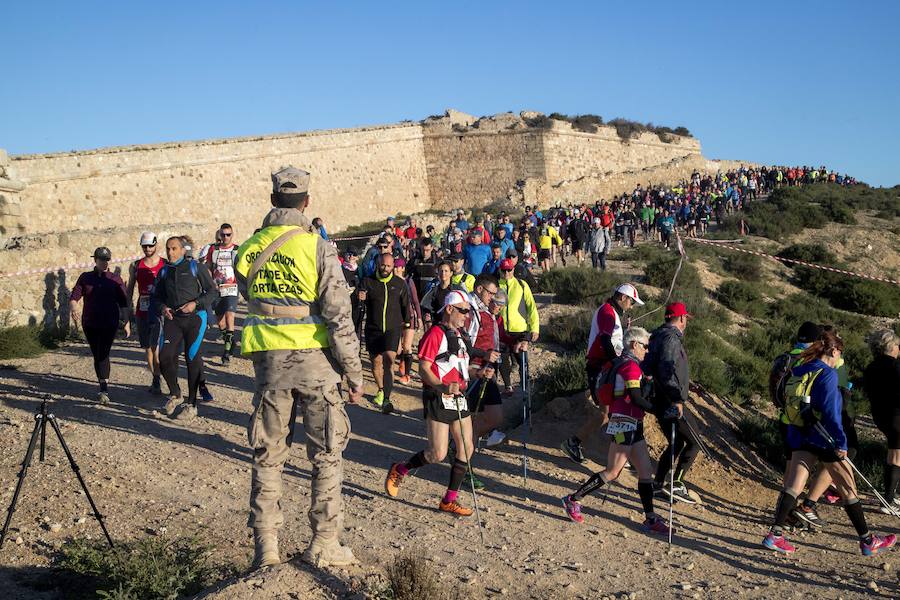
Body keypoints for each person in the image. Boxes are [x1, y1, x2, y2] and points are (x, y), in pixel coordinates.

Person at [236, 166, 363, 568]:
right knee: (326, 453)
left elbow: (251, 298)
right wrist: (354, 373)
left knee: (268, 456)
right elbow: (339, 316)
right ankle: (324, 543)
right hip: (315, 365)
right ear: (306, 202)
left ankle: (266, 548)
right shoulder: (317, 247)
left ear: (273, 200)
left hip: (270, 366)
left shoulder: (249, 250)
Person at [763, 331, 896, 556]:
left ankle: (774, 535)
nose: (839, 359)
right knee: (848, 488)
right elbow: (832, 414)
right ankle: (867, 541)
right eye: (839, 354)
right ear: (833, 351)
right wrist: (842, 442)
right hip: (825, 438)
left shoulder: (801, 368)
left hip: (800, 434)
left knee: (794, 486)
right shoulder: (828, 374)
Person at [562, 327, 673, 534]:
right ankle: (573, 499)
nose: (647, 351)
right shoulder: (630, 367)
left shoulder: (626, 364)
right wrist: (662, 411)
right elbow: (637, 398)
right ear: (634, 344)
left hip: (633, 422)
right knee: (613, 471)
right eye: (645, 346)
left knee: (646, 472)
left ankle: (650, 518)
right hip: (624, 422)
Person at [384, 290, 477, 517]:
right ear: (449, 309)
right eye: (463, 310)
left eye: (468, 311)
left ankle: (449, 500)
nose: (467, 315)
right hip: (438, 396)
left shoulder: (461, 335)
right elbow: (423, 368)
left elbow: (463, 368)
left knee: (467, 447)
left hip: (458, 397)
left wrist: (481, 372)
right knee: (438, 453)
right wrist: (442, 386)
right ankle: (401, 469)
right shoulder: (435, 334)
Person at [561, 283, 644, 464]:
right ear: (623, 297)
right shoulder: (607, 312)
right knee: (607, 412)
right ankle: (576, 443)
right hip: (601, 368)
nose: (632, 306)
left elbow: (611, 339)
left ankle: (619, 451)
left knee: (611, 412)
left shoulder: (610, 312)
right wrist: (616, 361)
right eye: (632, 302)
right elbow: (606, 339)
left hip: (604, 367)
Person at [153, 236, 218, 420]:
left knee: (192, 358)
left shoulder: (195, 267)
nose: (170, 252)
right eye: (168, 248)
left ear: (183, 250)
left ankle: (192, 405)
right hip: (174, 319)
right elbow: (157, 297)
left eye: (174, 248)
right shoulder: (164, 271)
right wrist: (163, 308)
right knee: (164, 356)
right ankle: (176, 394)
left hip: (195, 318)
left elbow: (212, 292)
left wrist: (196, 304)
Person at [645, 302, 700, 503]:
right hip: (669, 400)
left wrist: (687, 384)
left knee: (676, 443)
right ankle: (676, 483)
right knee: (695, 442)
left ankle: (658, 486)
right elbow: (667, 370)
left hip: (661, 397)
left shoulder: (658, 335)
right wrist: (677, 398)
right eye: (686, 318)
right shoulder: (671, 338)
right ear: (682, 318)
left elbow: (656, 367)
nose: (687, 322)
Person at [69, 247, 129, 405]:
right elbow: (75, 295)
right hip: (90, 322)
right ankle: (102, 382)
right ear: (95, 260)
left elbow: (123, 303)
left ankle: (104, 388)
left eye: (107, 259)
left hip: (110, 322)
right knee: (97, 353)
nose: (105, 262)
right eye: (102, 259)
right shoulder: (86, 277)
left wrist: (127, 322)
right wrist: (74, 307)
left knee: (103, 353)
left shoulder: (115, 279)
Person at [358, 253, 410, 414]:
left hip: (392, 329)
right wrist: (359, 297)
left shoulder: (399, 284)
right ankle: (381, 389)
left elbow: (405, 307)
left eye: (388, 265)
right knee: (376, 362)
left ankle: (387, 398)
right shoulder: (368, 282)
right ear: (377, 264)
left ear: (393, 266)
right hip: (373, 328)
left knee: (389, 360)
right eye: (383, 265)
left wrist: (406, 327)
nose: (385, 268)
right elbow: (359, 304)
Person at [464, 274, 504, 484]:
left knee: (494, 417)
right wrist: (484, 354)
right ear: (479, 289)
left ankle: (461, 448)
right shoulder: (470, 310)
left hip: (488, 370)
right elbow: (464, 344)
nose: (493, 297)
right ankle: (464, 466)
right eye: (490, 292)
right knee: (475, 416)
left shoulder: (486, 312)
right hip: (475, 370)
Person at [864, 329, 900, 512]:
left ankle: (891, 495)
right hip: (896, 415)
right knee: (896, 456)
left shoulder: (871, 367)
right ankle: (888, 500)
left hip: (880, 415)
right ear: (891, 346)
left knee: (893, 453)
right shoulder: (895, 366)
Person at [126, 232, 165, 394]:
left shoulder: (165, 264)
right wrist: (126, 310)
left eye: (150, 245)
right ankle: (156, 377)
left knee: (157, 347)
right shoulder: (136, 265)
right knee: (147, 347)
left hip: (159, 310)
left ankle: (160, 375)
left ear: (156, 245)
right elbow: (130, 289)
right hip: (142, 310)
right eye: (144, 246)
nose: (147, 249)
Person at [497, 258, 539, 395]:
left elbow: (531, 307)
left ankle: (525, 386)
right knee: (503, 360)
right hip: (502, 330)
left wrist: (535, 328)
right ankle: (508, 386)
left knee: (521, 359)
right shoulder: (497, 286)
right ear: (500, 270)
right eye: (504, 270)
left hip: (519, 330)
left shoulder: (522, 285)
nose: (507, 273)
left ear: (513, 269)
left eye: (509, 270)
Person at [207, 223, 240, 365]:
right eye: (223, 234)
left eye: (228, 234)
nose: (225, 237)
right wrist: (209, 283)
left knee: (229, 316)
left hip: (231, 287)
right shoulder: (213, 249)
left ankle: (226, 352)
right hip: (217, 288)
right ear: (219, 234)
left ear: (232, 235)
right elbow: (209, 267)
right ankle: (230, 342)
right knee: (219, 321)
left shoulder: (238, 250)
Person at [393, 257, 421, 386]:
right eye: (394, 266)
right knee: (397, 348)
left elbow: (415, 301)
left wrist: (419, 318)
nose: (395, 269)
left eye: (398, 267)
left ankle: (406, 375)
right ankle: (402, 360)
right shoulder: (390, 282)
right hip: (395, 317)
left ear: (403, 268)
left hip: (409, 316)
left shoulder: (409, 282)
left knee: (407, 346)